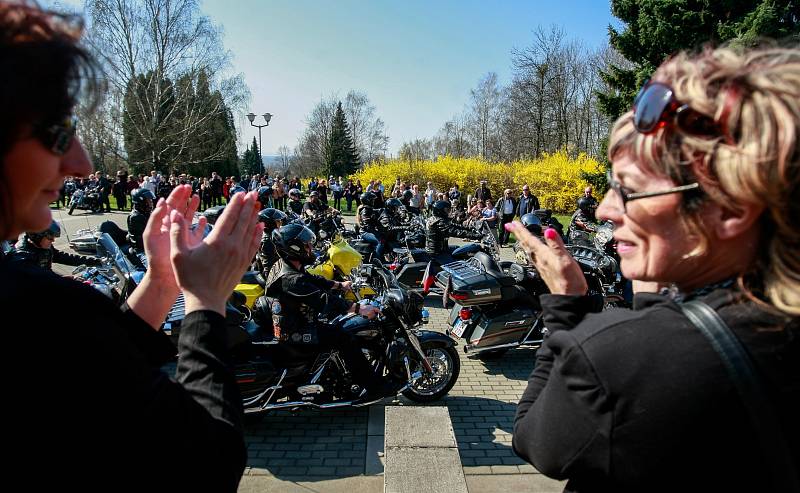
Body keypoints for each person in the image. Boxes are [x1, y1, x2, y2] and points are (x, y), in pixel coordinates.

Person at [509, 45, 800, 492]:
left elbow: (537, 442)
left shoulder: (622, 359)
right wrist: (651, 302)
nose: (606, 210)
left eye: (629, 190)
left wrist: (566, 307)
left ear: (729, 208)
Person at [0, 3, 265, 490]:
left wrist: (161, 283)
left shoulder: (37, 309)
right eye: (57, 133)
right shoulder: (34, 307)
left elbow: (89, 377)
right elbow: (208, 464)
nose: (80, 163)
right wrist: (205, 302)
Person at [267, 223, 394, 399]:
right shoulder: (291, 279)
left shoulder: (286, 265)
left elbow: (311, 278)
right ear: (293, 248)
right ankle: (373, 386)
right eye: (307, 245)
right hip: (295, 331)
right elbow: (322, 300)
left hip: (292, 322)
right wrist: (359, 308)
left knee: (338, 327)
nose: (311, 248)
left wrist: (338, 285)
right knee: (345, 338)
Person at [10, 220, 101, 270]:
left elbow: (62, 257)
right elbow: (36, 279)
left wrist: (95, 262)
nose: (53, 240)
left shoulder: (42, 246)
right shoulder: (22, 256)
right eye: (50, 237)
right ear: (37, 236)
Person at [425, 200, 483, 265]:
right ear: (440, 210)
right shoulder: (438, 222)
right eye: (446, 210)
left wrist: (468, 228)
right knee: (457, 266)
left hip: (441, 247)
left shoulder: (435, 218)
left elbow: (454, 225)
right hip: (437, 252)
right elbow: (455, 232)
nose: (448, 212)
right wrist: (475, 236)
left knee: (458, 248)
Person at [127, 187, 155, 255]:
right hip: (141, 251)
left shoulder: (144, 213)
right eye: (148, 200)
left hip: (147, 248)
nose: (151, 202)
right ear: (141, 202)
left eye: (151, 200)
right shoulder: (136, 217)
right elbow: (146, 237)